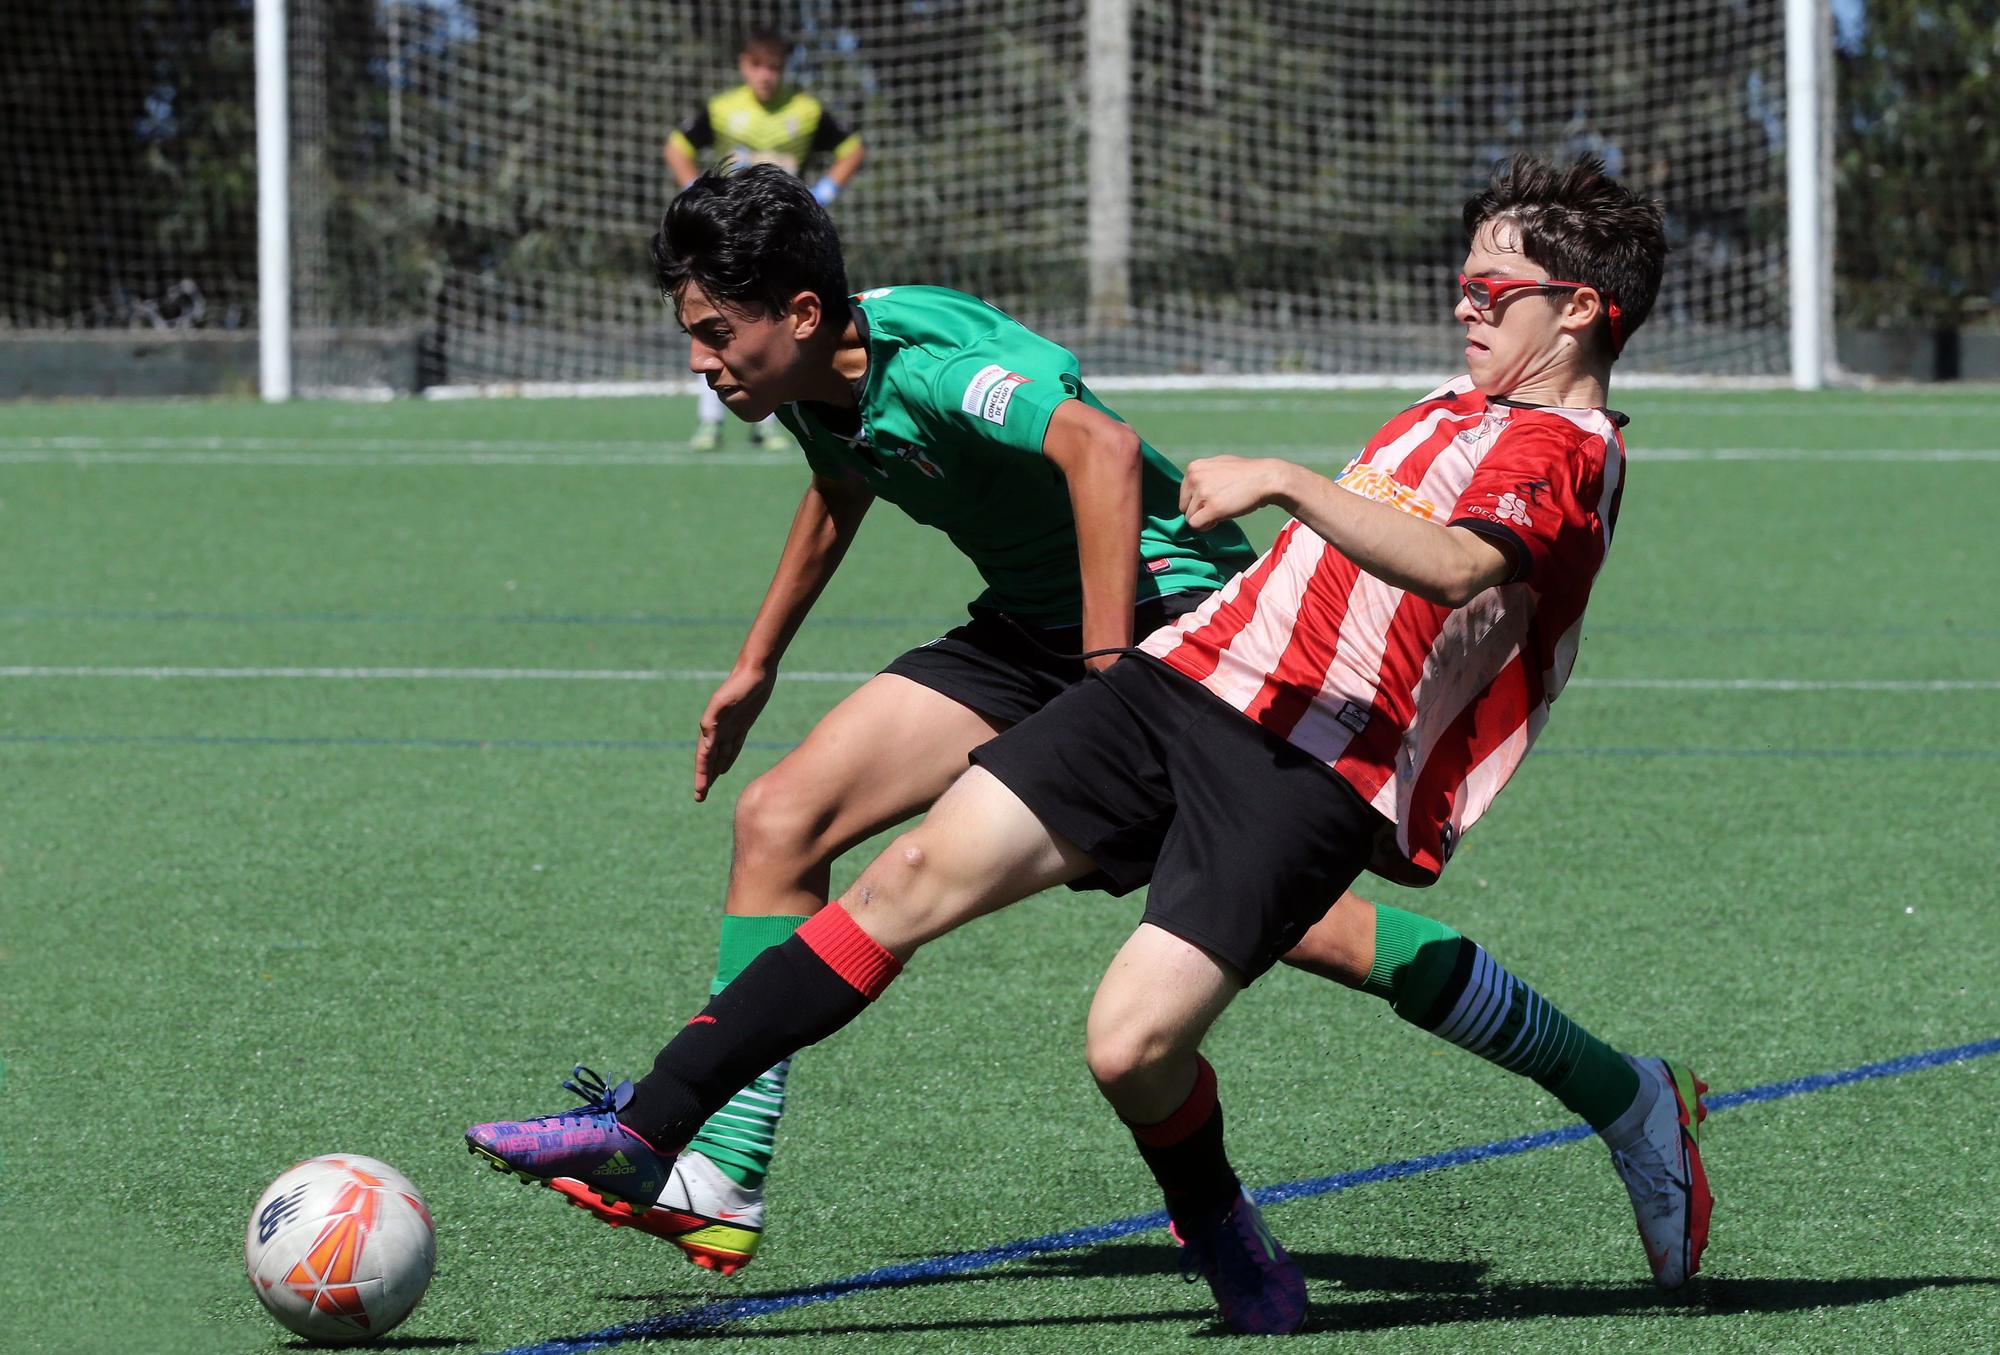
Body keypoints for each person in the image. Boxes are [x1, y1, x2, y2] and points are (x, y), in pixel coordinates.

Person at [467, 157, 1710, 1333]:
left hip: (1309, 758)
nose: (1462, 306)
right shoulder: (1454, 402)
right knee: (899, 876)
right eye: (1461, 282)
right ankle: (660, 1123)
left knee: (1134, 1041)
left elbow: (1449, 566)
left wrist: (1278, 477)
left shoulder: (1564, 454)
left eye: (1491, 292)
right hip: (1181, 675)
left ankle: (1567, 1111)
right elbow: (850, 467)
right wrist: (765, 661)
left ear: (1584, 312)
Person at [665, 26, 866, 452]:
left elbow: (852, 149)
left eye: (774, 67)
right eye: (758, 66)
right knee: (718, 323)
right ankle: (709, 422)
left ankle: (772, 420)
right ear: (744, 66)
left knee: (768, 323)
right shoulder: (723, 109)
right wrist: (695, 193)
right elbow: (677, 146)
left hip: (780, 237)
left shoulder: (807, 110)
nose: (766, 76)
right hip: (727, 237)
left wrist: (825, 192)